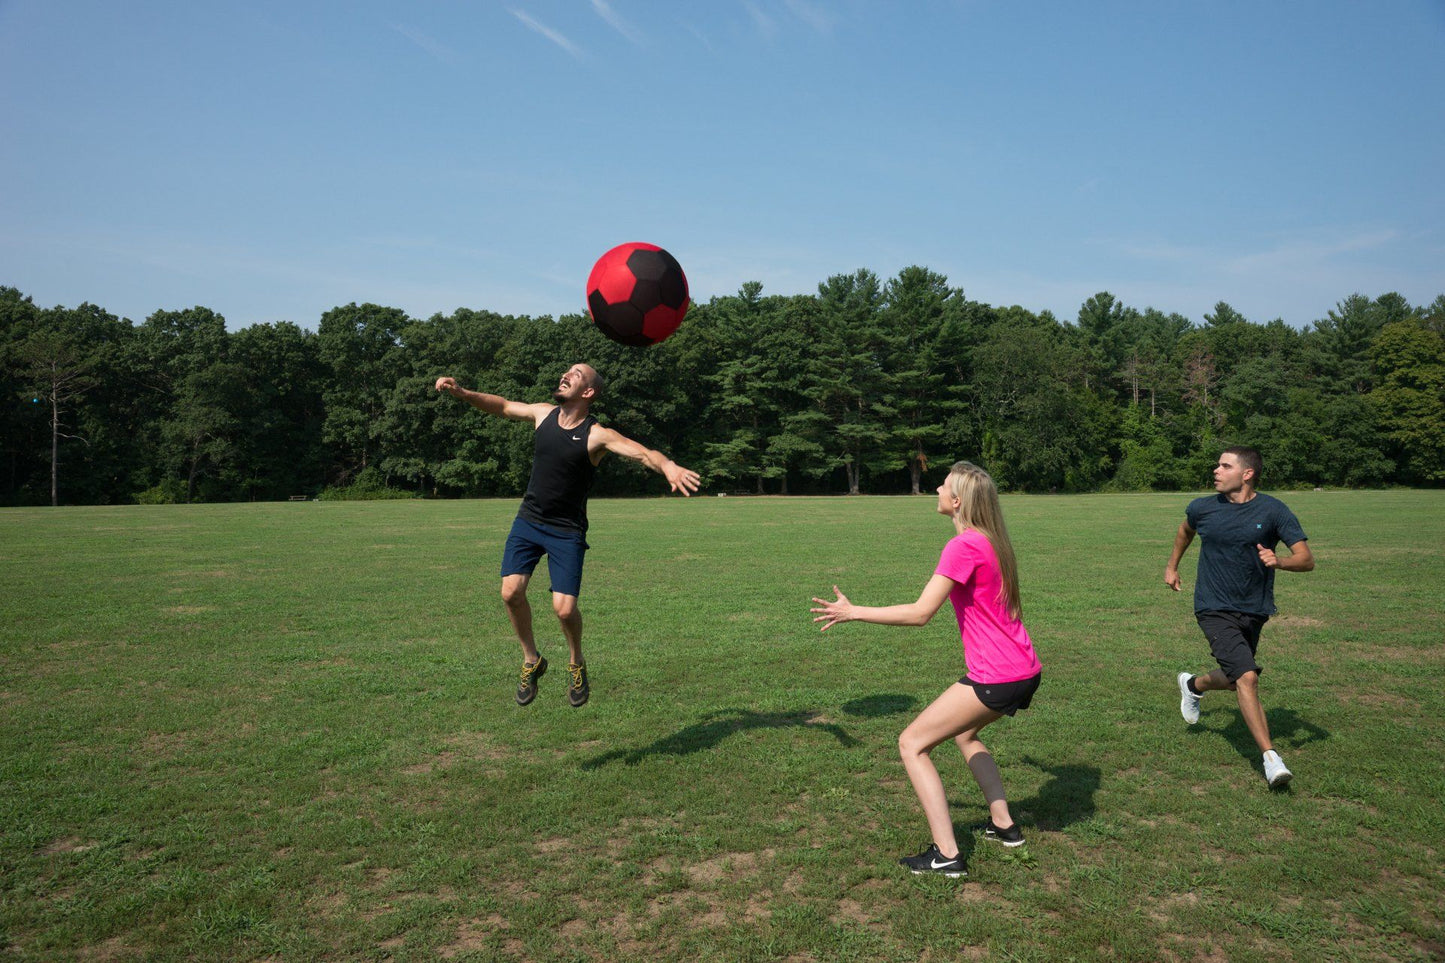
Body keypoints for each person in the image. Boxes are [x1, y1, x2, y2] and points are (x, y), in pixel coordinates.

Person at [811, 461, 1042, 878]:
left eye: (944, 485)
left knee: (912, 743)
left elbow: (921, 613)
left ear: (956, 502)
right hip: (1024, 668)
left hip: (998, 675)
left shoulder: (964, 546)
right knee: (966, 734)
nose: (936, 488)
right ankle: (1005, 826)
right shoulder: (993, 541)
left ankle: (947, 854)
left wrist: (853, 612)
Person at [435, 364, 701, 707]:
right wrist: (462, 393)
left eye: (575, 374)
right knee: (510, 592)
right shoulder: (542, 414)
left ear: (587, 392)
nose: (565, 374)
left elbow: (643, 453)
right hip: (529, 521)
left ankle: (576, 661)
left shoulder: (597, 435)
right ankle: (532, 659)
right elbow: (501, 406)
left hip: (566, 531)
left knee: (564, 611)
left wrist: (667, 465)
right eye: (567, 371)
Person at [1164, 446, 1314, 788]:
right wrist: (1172, 566)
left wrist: (1280, 561)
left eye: (1225, 465)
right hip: (1212, 605)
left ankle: (1192, 685)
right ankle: (1271, 759)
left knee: (1234, 679)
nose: (1216, 470)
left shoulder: (1274, 510)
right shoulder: (1202, 507)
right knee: (1247, 678)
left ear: (1246, 474)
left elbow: (1306, 558)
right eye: (1218, 464)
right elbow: (1185, 531)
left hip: (1255, 607)